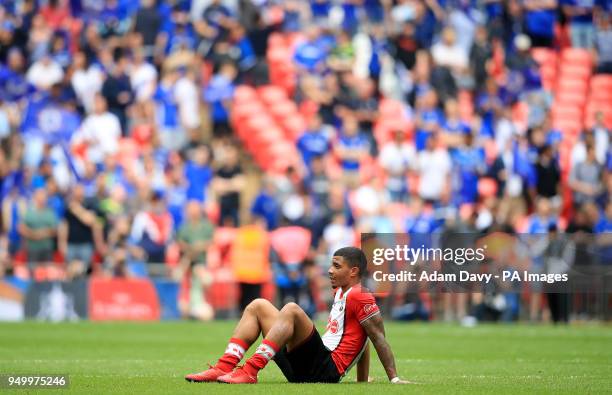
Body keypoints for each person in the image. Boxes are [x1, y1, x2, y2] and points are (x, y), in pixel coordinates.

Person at [185, 247, 411, 384]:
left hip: (325, 370)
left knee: (291, 309)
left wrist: (394, 378)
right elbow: (363, 337)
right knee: (258, 305)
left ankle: (251, 370)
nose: (330, 270)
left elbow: (377, 336)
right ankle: (225, 366)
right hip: (309, 367)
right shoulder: (343, 293)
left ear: (353, 272)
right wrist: (362, 380)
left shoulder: (360, 295)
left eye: (336, 266)